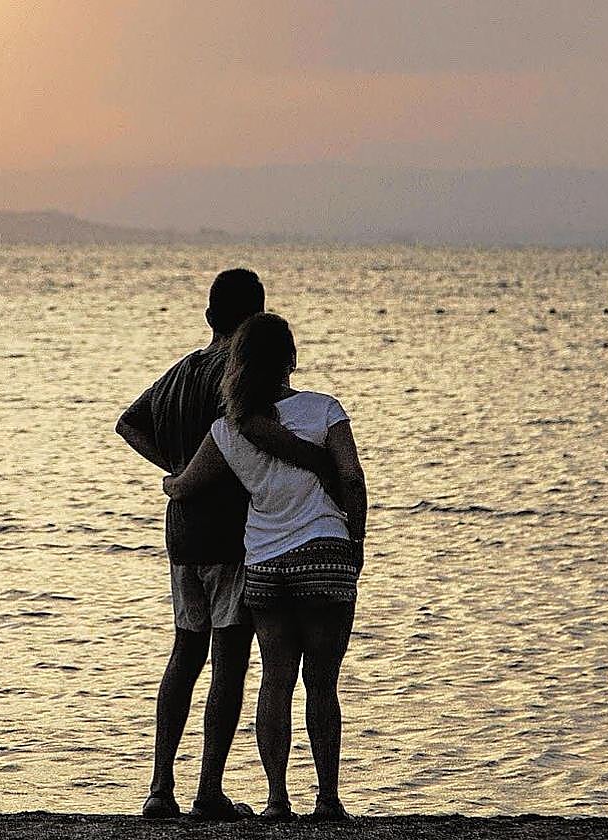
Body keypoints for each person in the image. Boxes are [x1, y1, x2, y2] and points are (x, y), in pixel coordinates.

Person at [116, 270, 331, 821]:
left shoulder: (183, 371)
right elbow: (252, 432)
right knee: (229, 661)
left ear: (210, 317)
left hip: (183, 533)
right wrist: (319, 462)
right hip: (232, 535)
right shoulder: (239, 375)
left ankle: (160, 786)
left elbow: (129, 423)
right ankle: (208, 788)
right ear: (257, 320)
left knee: (185, 652)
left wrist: (178, 470)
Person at [162, 312, 367, 823]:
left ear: (238, 363)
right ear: (290, 360)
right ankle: (327, 800)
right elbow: (353, 480)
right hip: (323, 556)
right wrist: (356, 539)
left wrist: (168, 485)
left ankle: (278, 800)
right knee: (322, 684)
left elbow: (188, 484)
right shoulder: (324, 410)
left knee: (275, 681)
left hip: (265, 564)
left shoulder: (227, 429)